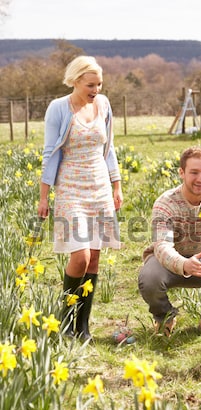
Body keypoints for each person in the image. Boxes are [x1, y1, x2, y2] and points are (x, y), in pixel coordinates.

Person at [38, 55, 123, 341]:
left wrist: (117, 184)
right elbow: (50, 153)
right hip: (71, 187)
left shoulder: (104, 105)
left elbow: (109, 147)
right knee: (81, 256)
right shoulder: (58, 109)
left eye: (99, 84)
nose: (96, 89)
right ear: (75, 81)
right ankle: (66, 321)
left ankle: (82, 327)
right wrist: (43, 196)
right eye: (90, 84)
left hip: (99, 186)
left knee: (95, 258)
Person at [138, 146, 201, 336]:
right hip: (170, 264)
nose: (200, 179)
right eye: (194, 172)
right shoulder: (166, 203)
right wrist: (183, 264)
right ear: (181, 173)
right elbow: (162, 246)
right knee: (149, 279)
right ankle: (165, 317)